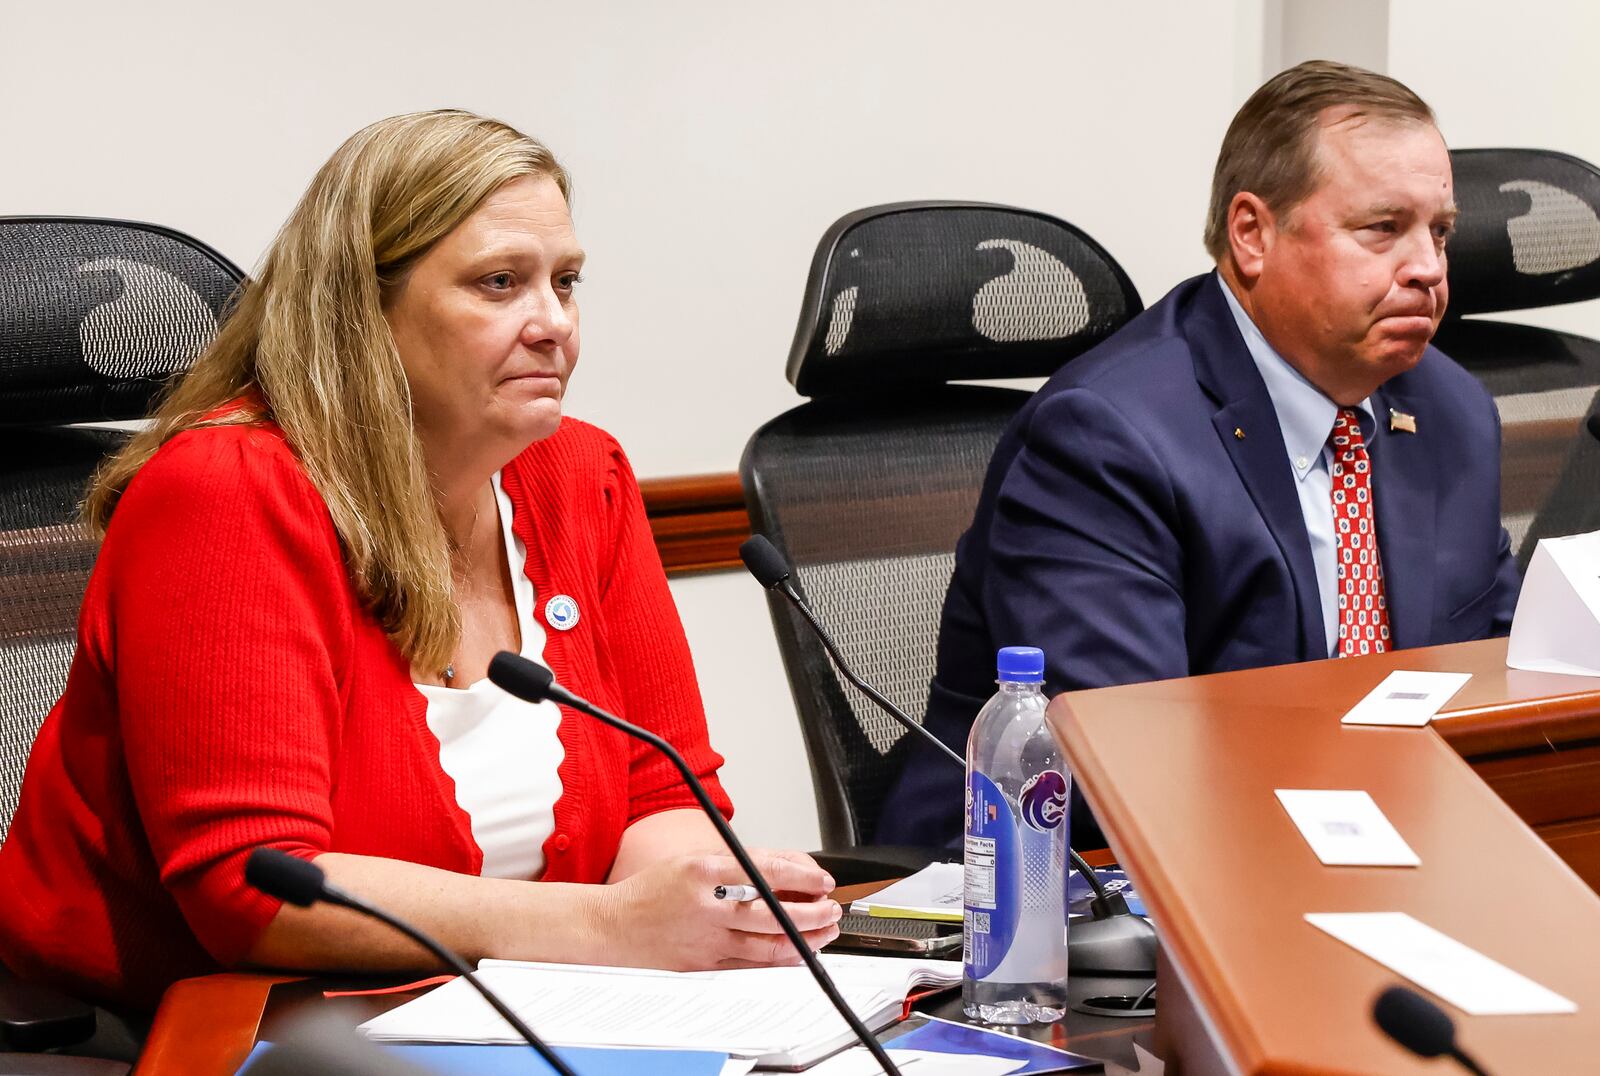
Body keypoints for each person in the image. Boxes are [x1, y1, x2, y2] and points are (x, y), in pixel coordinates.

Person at [0, 110, 840, 1014]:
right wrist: (605, 927)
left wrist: (705, 912)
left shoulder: (579, 476)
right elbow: (252, 888)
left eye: (566, 282)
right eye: (499, 283)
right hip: (197, 1024)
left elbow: (659, 788)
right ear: (366, 310)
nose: (553, 323)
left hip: (507, 1010)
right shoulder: (225, 490)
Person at [878, 61, 1522, 849]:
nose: (1428, 267)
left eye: (1440, 231)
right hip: (1048, 900)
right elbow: (1138, 761)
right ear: (1253, 234)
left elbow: (1499, 682)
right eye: (1383, 228)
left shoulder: (1449, 411)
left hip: (1371, 848)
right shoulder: (1104, 437)